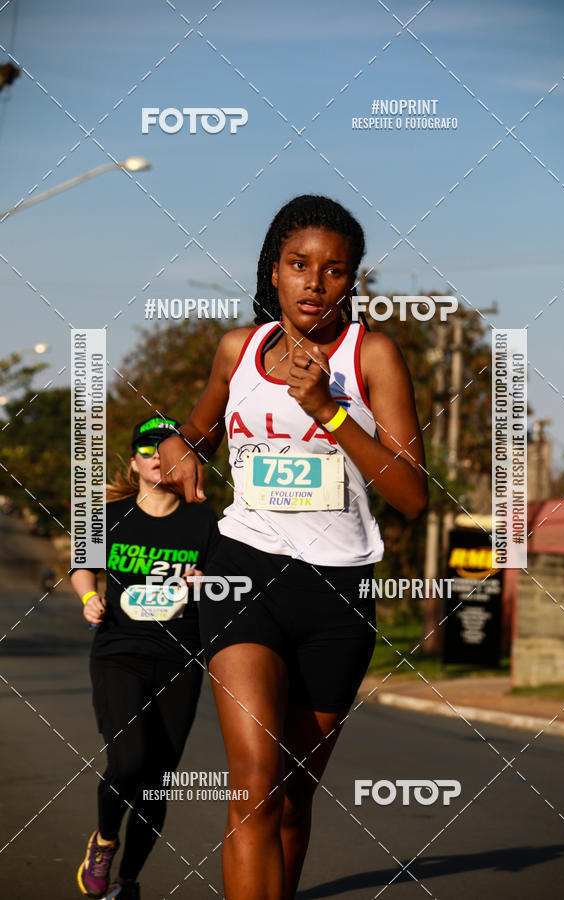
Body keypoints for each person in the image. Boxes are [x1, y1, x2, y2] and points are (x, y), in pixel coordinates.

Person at [159, 195, 428, 899]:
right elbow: (195, 432)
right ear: (273, 271)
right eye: (299, 265)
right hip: (244, 572)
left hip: (339, 591)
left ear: (352, 280)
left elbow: (411, 495)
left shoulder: (371, 355)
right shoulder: (237, 351)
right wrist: (179, 448)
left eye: (334, 270)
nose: (314, 282)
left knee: (291, 798)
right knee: (254, 786)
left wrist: (328, 411)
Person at [72, 416, 221, 900]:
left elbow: (231, 589)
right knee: (129, 757)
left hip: (180, 658)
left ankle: (128, 882)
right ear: (134, 462)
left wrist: (206, 584)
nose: (157, 457)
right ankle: (104, 840)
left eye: (167, 448)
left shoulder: (207, 523)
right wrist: (88, 597)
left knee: (157, 780)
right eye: (147, 449)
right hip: (120, 652)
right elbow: (82, 567)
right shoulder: (107, 516)